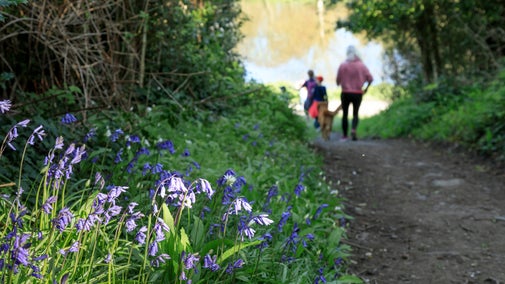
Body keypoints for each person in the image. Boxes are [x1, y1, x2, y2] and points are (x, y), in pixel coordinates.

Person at [336, 45, 373, 141]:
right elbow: (370, 79)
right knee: (355, 113)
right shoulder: (362, 65)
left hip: (345, 93)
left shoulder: (343, 65)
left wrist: (342, 83)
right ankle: (353, 129)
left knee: (345, 114)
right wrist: (366, 89)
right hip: (358, 93)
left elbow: (338, 81)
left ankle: (344, 135)